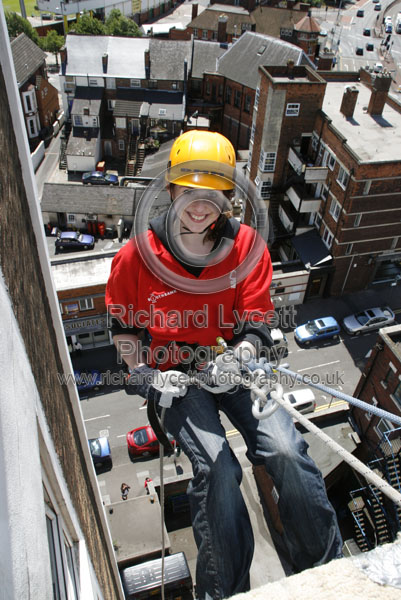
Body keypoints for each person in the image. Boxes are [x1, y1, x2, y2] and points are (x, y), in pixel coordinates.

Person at [106, 130, 343, 600]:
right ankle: (223, 591)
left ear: (227, 199)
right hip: (177, 380)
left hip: (233, 367)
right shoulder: (137, 257)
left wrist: (245, 354)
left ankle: (326, 571)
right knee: (217, 471)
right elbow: (125, 334)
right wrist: (150, 379)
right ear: (171, 191)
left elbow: (257, 318)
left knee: (287, 452)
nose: (199, 208)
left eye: (211, 197)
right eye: (189, 193)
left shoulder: (245, 247)